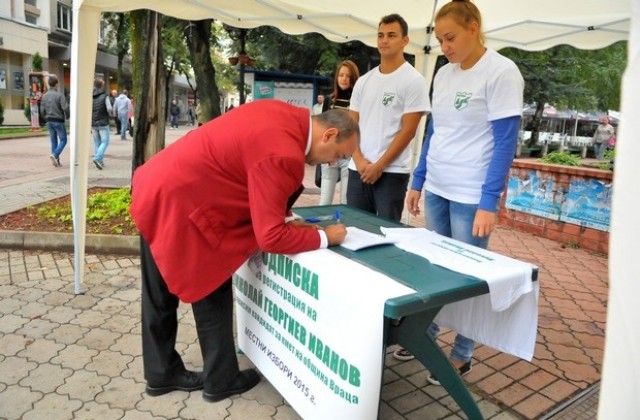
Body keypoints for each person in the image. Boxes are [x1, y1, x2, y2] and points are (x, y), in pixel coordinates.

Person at [129, 99, 359, 402]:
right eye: (339, 156)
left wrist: (288, 219)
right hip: (185, 202)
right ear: (329, 134)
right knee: (212, 286)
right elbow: (271, 237)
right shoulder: (284, 153)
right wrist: (326, 238)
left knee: (157, 294)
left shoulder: (285, 115)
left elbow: (250, 172)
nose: (333, 164)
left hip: (158, 184)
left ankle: (161, 374)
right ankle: (221, 380)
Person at [394, 0, 525, 387]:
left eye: (450, 37)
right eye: (440, 39)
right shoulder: (445, 74)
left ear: (473, 27)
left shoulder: (502, 71)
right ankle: (428, 336)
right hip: (438, 185)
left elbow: (505, 142)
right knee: (436, 269)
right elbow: (435, 131)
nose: (445, 46)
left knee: (469, 277)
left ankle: (462, 354)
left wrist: (489, 202)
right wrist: (418, 179)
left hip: (471, 193)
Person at [347, 14, 430, 221]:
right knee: (355, 230)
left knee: (387, 234)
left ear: (405, 41)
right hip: (358, 168)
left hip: (391, 172)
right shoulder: (364, 81)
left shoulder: (413, 81)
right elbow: (350, 125)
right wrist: (358, 160)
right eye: (381, 35)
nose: (384, 40)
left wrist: (379, 166)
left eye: (391, 35)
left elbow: (409, 130)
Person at [319, 60, 361, 205]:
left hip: (349, 157)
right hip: (329, 156)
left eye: (348, 76)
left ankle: (344, 228)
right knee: (324, 201)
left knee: (345, 202)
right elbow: (321, 127)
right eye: (341, 75)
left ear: (354, 78)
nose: (344, 78)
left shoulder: (357, 101)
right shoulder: (329, 100)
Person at [40, 75, 69, 167]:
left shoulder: (44, 96)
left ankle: (56, 160)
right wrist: (68, 116)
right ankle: (55, 155)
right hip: (58, 120)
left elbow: (42, 110)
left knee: (53, 140)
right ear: (56, 84)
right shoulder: (59, 95)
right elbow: (65, 107)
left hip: (49, 120)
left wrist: (46, 118)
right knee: (63, 140)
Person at [90, 78, 112, 170]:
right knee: (105, 142)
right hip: (103, 122)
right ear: (102, 85)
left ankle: (100, 161)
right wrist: (111, 115)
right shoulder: (105, 96)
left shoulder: (90, 96)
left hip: (93, 123)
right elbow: (109, 109)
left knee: (97, 142)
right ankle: (97, 158)